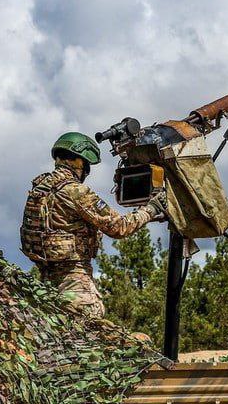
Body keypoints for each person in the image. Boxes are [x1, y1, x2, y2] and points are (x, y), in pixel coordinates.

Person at [21, 132, 167, 318]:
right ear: (80, 162)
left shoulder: (41, 189)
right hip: (74, 283)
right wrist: (152, 209)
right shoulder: (74, 191)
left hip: (45, 281)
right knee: (86, 336)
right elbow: (119, 227)